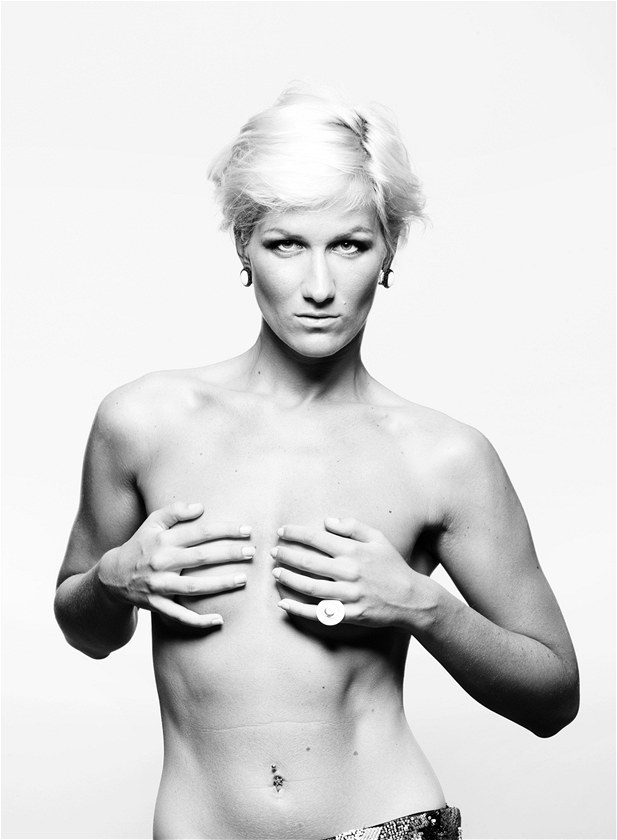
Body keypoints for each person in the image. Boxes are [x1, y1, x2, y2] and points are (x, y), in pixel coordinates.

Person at [54, 85, 579, 840]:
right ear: (244, 247)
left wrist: (421, 605)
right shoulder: (142, 421)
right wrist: (113, 580)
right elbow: (87, 630)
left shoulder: (443, 457)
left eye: (350, 245)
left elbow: (554, 698)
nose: (320, 287)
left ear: (388, 251)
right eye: (286, 244)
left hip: (388, 827)